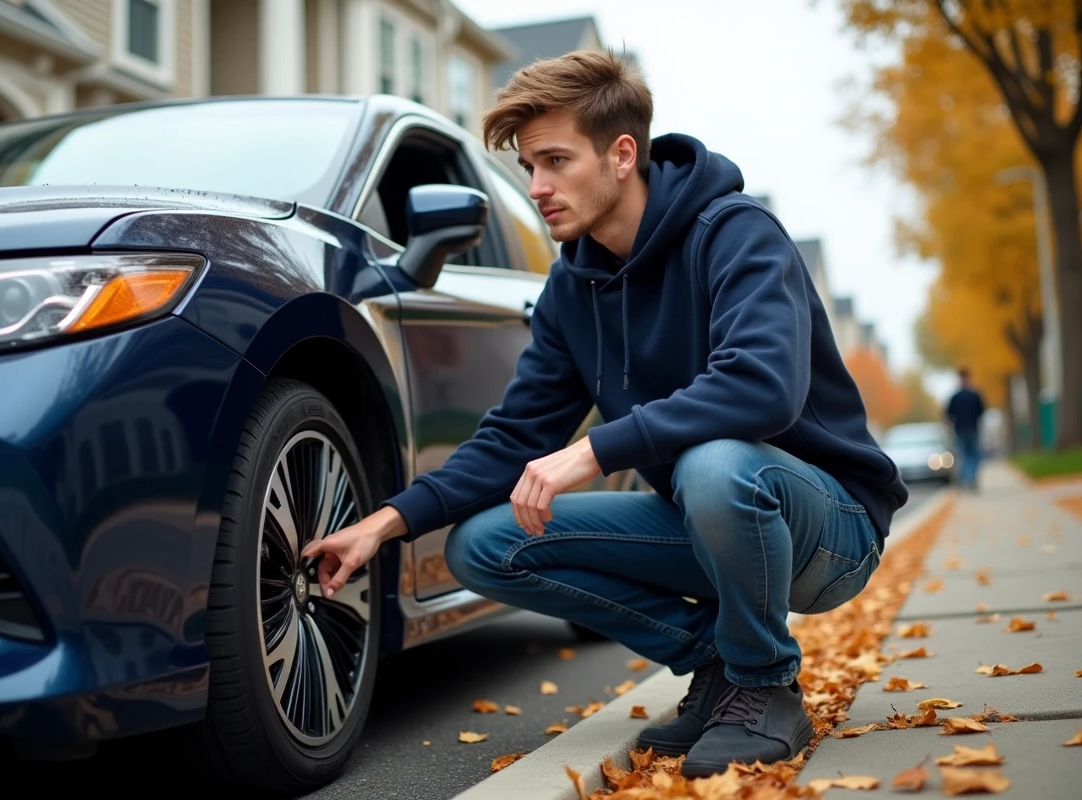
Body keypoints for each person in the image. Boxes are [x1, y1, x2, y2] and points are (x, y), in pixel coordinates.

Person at [303, 50, 908, 776]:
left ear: (622, 154)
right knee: (485, 545)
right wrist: (383, 523)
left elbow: (762, 389)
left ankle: (765, 685)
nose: (537, 187)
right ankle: (717, 661)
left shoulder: (736, 233)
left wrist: (591, 452)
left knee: (714, 463)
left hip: (827, 527)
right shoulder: (571, 289)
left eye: (556, 161)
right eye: (529, 167)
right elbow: (512, 437)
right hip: (712, 521)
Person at [946, 368, 985, 490]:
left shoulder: (955, 397)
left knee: (964, 455)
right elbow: (981, 411)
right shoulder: (975, 395)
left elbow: (948, 414)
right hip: (973, 429)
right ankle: (970, 477)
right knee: (974, 455)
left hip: (960, 430)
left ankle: (965, 479)